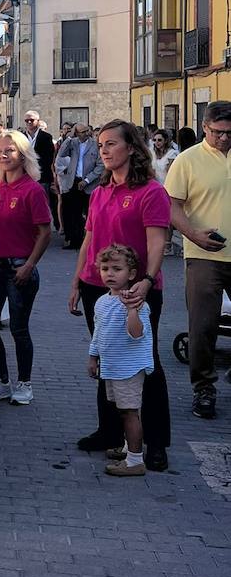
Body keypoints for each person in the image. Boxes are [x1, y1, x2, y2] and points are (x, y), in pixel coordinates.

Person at [68, 120, 171, 471]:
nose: (105, 150)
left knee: (146, 364)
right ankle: (110, 432)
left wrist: (146, 279)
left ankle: (156, 442)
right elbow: (88, 238)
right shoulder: (99, 191)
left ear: (132, 148)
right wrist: (76, 282)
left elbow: (157, 241)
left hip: (137, 289)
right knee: (107, 357)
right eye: (100, 145)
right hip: (97, 287)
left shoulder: (151, 192)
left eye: (112, 143)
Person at [165, 101, 231, 420]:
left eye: (230, 133)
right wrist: (193, 234)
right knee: (203, 326)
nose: (224, 139)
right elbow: (173, 206)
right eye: (218, 132)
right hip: (205, 255)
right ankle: (204, 388)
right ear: (205, 127)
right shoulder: (187, 161)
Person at [0, 129, 52, 404]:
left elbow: (45, 232)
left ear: (22, 155)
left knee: (18, 329)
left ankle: (25, 383)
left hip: (19, 268)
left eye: (10, 150)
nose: (3, 155)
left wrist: (30, 265)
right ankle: (1, 380)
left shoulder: (32, 190)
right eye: (0, 150)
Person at [88, 244, 153, 478]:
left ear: (132, 274)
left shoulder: (137, 302)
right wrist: (93, 356)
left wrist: (131, 311)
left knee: (129, 412)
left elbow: (136, 333)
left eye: (117, 269)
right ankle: (128, 448)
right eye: (105, 268)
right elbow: (99, 331)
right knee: (122, 410)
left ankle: (135, 460)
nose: (110, 274)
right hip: (113, 366)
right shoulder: (102, 301)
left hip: (129, 368)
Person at [56, 123, 103, 249]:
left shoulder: (95, 145)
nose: (86, 133)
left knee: (89, 213)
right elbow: (61, 153)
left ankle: (91, 241)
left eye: (87, 131)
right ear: (77, 133)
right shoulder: (73, 143)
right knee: (73, 212)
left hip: (89, 182)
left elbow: (100, 166)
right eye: (82, 132)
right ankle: (74, 240)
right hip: (73, 180)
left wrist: (87, 180)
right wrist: (69, 137)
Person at [23, 110, 57, 229]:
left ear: (38, 121)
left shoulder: (46, 137)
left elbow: (48, 159)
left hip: (41, 176)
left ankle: (44, 228)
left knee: (42, 203)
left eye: (32, 120)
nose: (29, 123)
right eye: (26, 120)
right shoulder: (21, 136)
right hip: (25, 176)